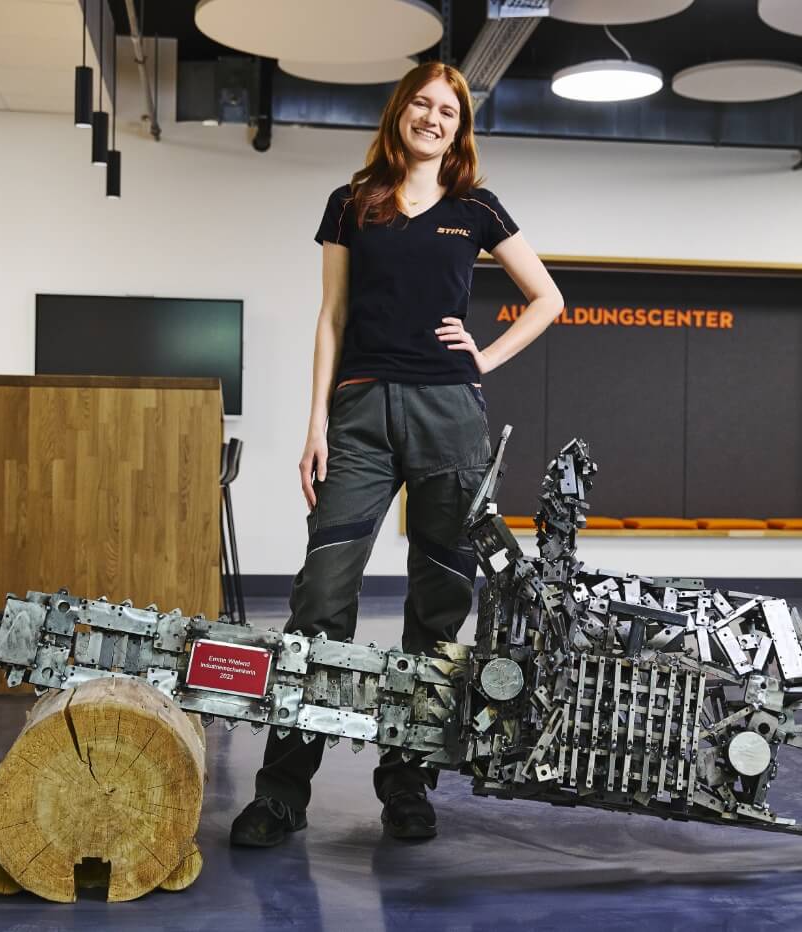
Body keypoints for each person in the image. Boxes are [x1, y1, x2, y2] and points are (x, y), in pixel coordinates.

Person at [230, 61, 563, 847]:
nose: (433, 117)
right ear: (400, 112)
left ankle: (407, 781)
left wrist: (482, 356)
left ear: (460, 127)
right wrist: (315, 422)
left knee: (440, 609)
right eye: (422, 103)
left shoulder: (476, 207)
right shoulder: (353, 204)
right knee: (320, 598)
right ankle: (282, 792)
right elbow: (331, 316)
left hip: (450, 416)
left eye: (448, 109)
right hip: (361, 414)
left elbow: (548, 298)